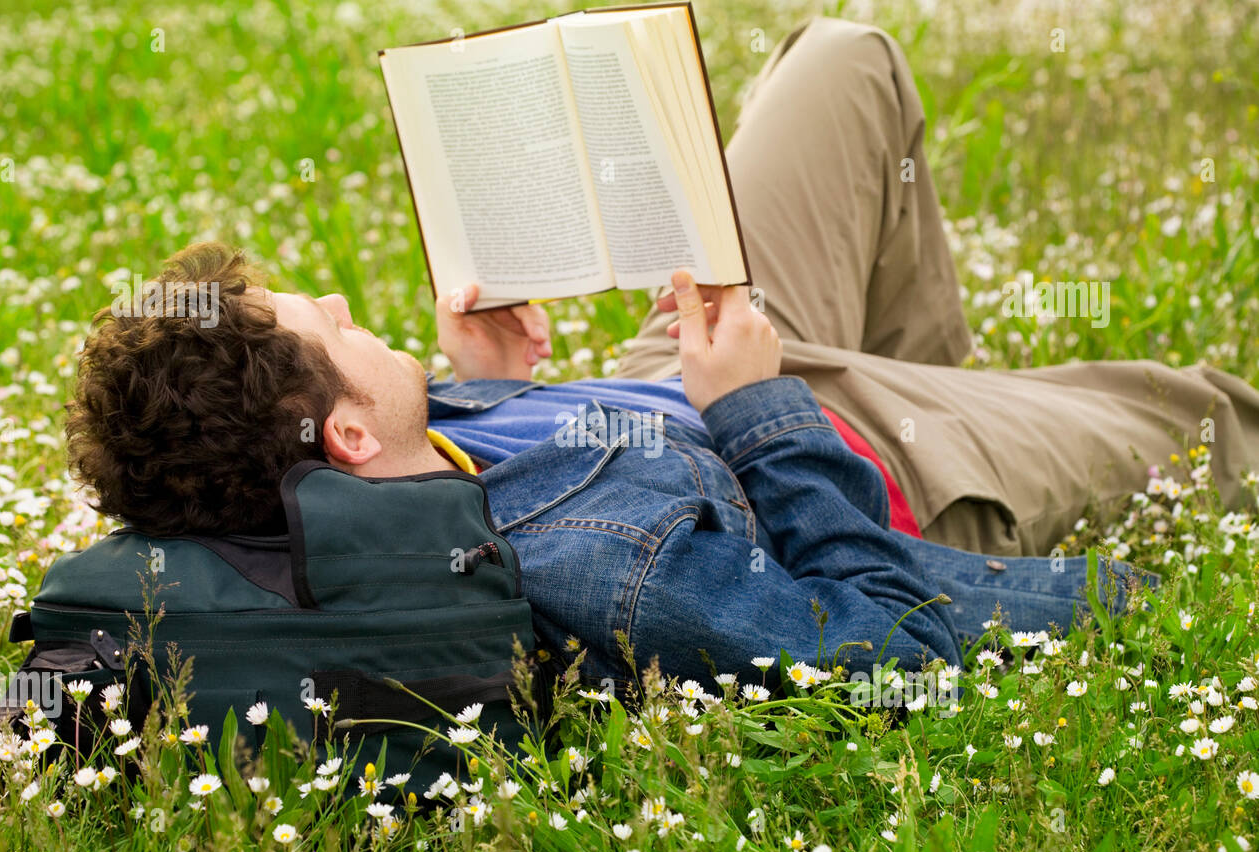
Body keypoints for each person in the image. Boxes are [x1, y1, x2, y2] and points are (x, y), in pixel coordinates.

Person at [66, 18, 1251, 694]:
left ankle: (952, 387)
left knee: (844, 61)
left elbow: (506, 459)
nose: (337, 294)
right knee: (1208, 410)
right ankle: (957, 424)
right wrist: (761, 407)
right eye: (324, 323)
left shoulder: (377, 466)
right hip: (835, 452)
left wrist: (500, 385)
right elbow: (893, 651)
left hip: (674, 367)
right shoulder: (594, 575)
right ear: (345, 437)